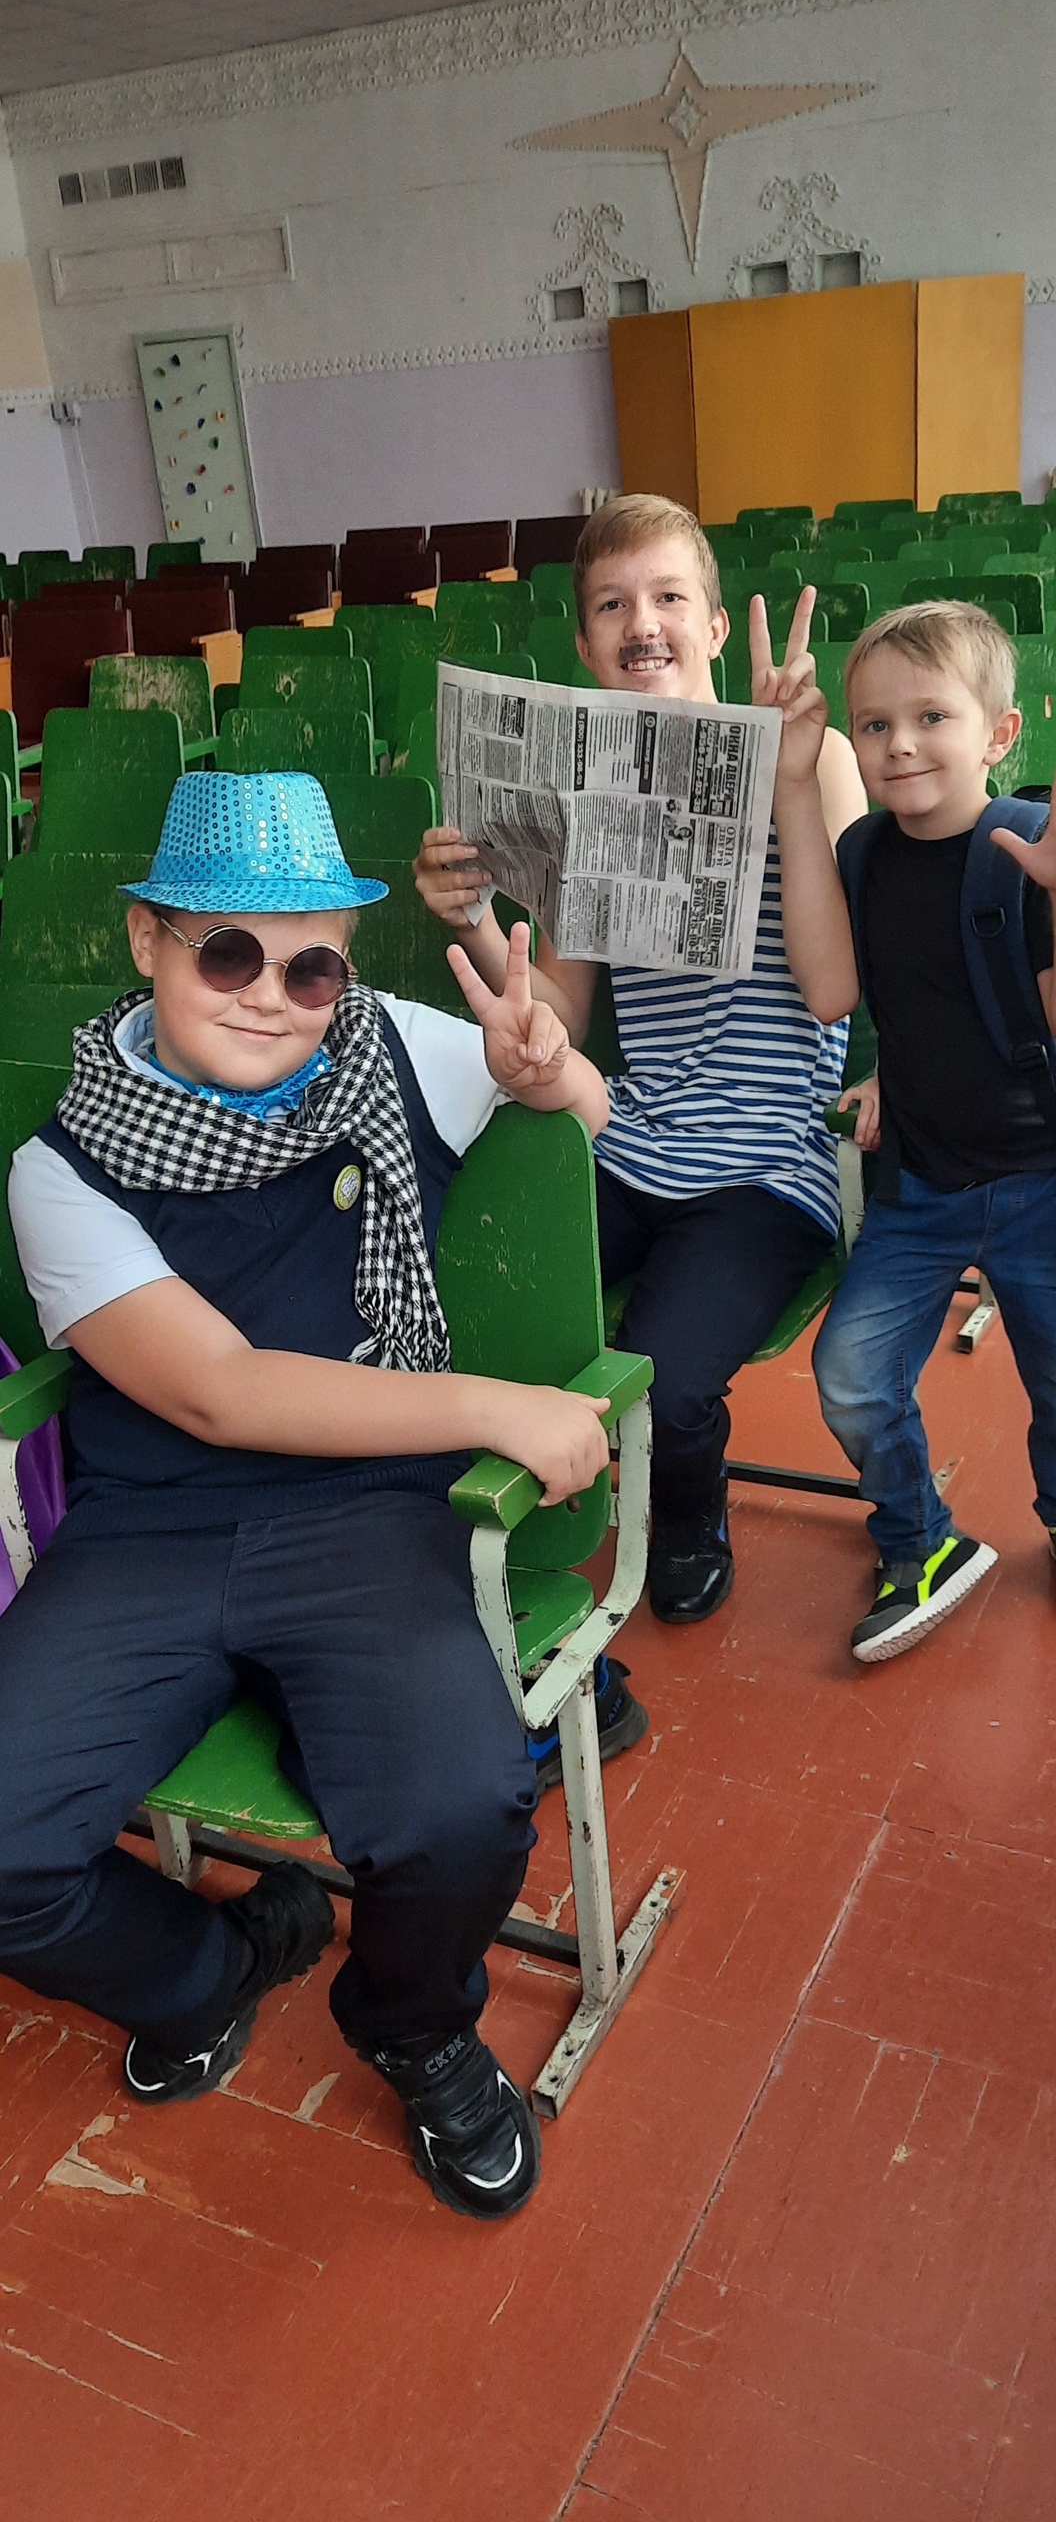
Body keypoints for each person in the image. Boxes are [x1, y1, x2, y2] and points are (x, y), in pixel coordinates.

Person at [0, 770, 628, 2223]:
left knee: (462, 1807)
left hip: (363, 1516)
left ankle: (415, 2025)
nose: (271, 996)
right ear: (148, 938)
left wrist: (547, 1073)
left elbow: (591, 1122)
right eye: (227, 952)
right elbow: (220, 1390)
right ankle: (208, 1967)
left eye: (311, 964)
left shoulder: (387, 1048)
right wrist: (489, 1404)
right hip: (153, 1528)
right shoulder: (65, 1162)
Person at [415, 495, 866, 1624]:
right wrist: (473, 919)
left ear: (713, 626)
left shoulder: (817, 761)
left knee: (667, 1373)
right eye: (613, 606)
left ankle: (688, 1511)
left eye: (669, 598)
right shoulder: (590, 795)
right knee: (486, 1282)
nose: (643, 623)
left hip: (765, 1162)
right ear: (585, 644)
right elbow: (559, 1010)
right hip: (629, 1133)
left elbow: (835, 989)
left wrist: (791, 782)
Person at [771, 598, 1056, 1665]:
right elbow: (834, 992)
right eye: (874, 724)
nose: (900, 744)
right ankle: (920, 1537)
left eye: (931, 716)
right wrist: (793, 782)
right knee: (850, 1372)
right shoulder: (863, 853)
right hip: (922, 1186)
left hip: (1050, 1186)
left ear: (999, 733)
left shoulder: (1029, 851)